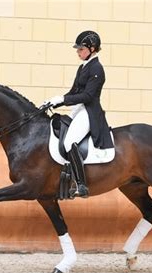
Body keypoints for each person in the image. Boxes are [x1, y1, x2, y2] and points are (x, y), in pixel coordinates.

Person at [46, 30, 113, 198]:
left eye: (81, 49)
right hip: (79, 110)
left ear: (92, 49)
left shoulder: (97, 68)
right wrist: (55, 101)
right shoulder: (83, 67)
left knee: (69, 142)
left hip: (90, 112)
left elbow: (88, 96)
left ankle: (81, 184)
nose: (78, 52)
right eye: (78, 49)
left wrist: (63, 99)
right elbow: (74, 91)